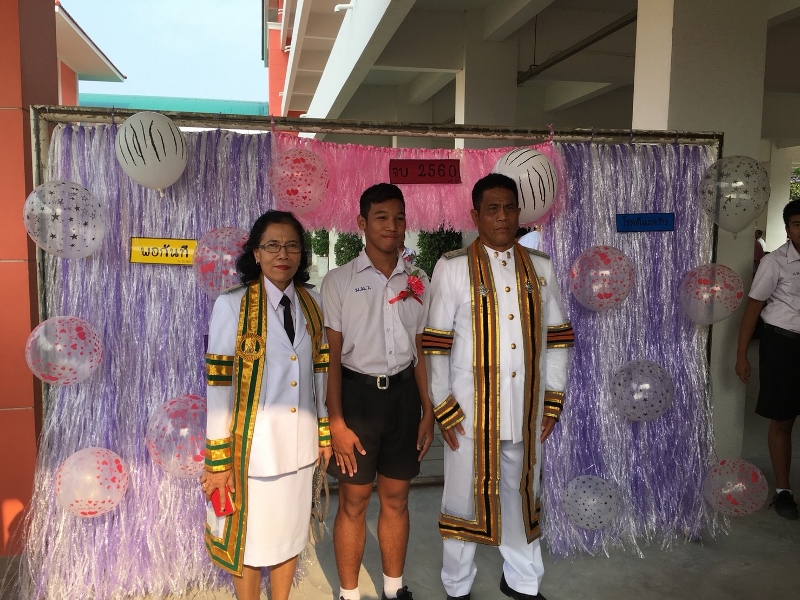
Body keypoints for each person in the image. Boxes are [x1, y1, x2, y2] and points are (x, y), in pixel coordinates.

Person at [423, 173, 573, 600]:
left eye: (509, 207)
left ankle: (523, 582)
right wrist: (443, 405)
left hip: (525, 411)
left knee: (522, 495)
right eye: (493, 208)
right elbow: (435, 342)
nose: (503, 216)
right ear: (476, 216)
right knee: (463, 502)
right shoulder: (453, 267)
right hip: (469, 414)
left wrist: (552, 400)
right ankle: (457, 586)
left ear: (519, 213)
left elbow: (558, 337)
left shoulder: (540, 267)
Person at [200, 210, 332, 599]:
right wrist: (219, 461)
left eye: (292, 245)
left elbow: (318, 374)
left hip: (300, 450)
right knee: (251, 544)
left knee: (290, 538)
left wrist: (323, 433)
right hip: (253, 453)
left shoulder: (312, 303)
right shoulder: (233, 305)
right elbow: (219, 386)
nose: (283, 254)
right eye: (272, 245)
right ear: (256, 254)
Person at [322, 183, 435, 600]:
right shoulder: (339, 281)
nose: (392, 226)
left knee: (397, 497)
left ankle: (393, 589)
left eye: (399, 218)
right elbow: (332, 359)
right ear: (362, 222)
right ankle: (349, 594)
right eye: (382, 217)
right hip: (357, 399)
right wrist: (336, 422)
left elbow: (419, 349)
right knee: (353, 501)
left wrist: (427, 409)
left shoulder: (419, 280)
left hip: (404, 398)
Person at [736, 200, 800, 521]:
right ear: (788, 229)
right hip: (782, 347)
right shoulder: (774, 262)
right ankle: (783, 490)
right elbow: (753, 308)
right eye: (797, 224)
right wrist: (741, 354)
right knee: (783, 419)